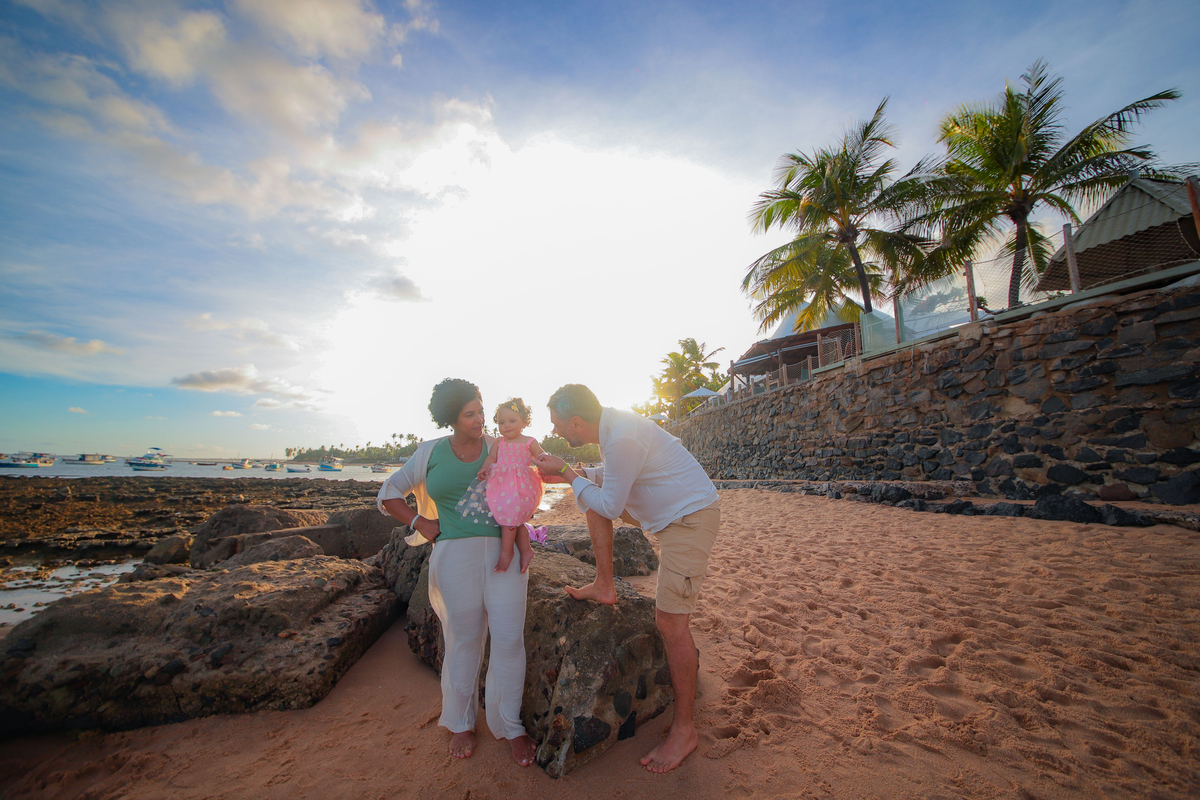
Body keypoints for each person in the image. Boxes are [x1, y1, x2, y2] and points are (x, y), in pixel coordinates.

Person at [531, 384, 720, 775]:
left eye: (560, 426)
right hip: (670, 513)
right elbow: (616, 477)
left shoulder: (621, 437)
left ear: (577, 423)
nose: (559, 433)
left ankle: (684, 731)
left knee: (670, 622)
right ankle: (604, 584)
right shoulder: (613, 428)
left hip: (689, 519)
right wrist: (583, 474)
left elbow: (612, 504)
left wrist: (568, 474)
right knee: (591, 491)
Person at [376, 378, 536, 768]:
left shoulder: (501, 446)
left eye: (482, 411)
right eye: (470, 414)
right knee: (463, 640)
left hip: (505, 555)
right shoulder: (429, 452)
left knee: (509, 639)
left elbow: (528, 482)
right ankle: (462, 721)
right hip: (453, 557)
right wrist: (420, 522)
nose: (480, 419)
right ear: (452, 417)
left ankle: (510, 725)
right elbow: (388, 493)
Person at [476, 398, 544, 573]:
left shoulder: (529, 442)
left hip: (522, 487)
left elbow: (541, 457)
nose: (506, 426)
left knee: (509, 520)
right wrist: (485, 467)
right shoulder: (500, 442)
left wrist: (546, 463)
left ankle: (507, 553)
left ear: (524, 421)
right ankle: (526, 550)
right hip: (501, 487)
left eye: (512, 421)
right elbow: (492, 458)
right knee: (514, 519)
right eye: (501, 422)